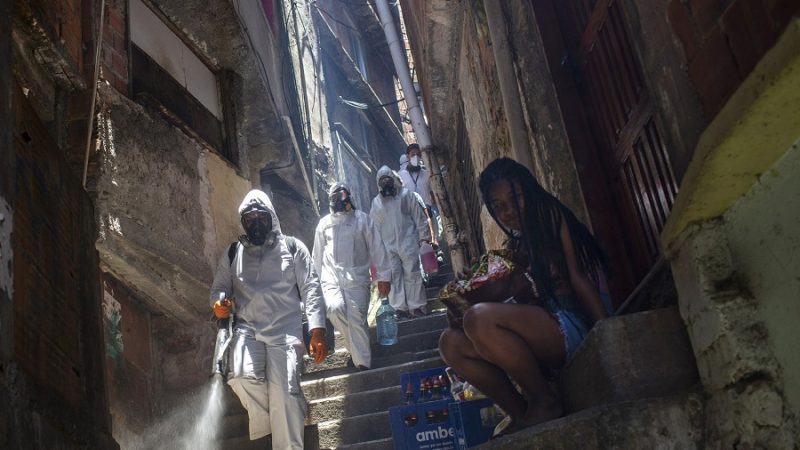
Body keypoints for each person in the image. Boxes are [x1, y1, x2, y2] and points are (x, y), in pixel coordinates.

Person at [438, 158, 613, 436]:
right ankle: (521, 413)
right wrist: (469, 291)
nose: (508, 211)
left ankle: (545, 402)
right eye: (498, 206)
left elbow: (578, 277)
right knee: (451, 343)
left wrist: (608, 333)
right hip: (543, 333)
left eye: (515, 198)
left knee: (479, 319)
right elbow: (508, 302)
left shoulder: (549, 216)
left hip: (571, 324)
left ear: (528, 190)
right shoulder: (516, 245)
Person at [210, 189, 327, 449]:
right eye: (249, 219)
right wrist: (219, 304)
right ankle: (279, 415)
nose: (255, 223)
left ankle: (286, 417)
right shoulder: (232, 253)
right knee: (241, 378)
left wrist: (317, 330)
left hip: (285, 331)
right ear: (243, 222)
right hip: (247, 330)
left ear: (271, 217)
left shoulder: (293, 247)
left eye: (260, 217)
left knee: (284, 393)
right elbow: (219, 288)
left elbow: (311, 287)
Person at [312, 182, 392, 371]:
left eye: (342, 195)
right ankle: (359, 354)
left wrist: (384, 277)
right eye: (335, 197)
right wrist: (314, 286)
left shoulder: (362, 220)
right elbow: (317, 257)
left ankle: (362, 364)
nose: (340, 200)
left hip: (357, 278)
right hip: (330, 279)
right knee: (333, 309)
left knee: (357, 319)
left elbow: (377, 248)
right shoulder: (324, 224)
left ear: (349, 196)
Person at [370, 166, 433, 319]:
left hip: (408, 241)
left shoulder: (406, 195)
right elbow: (374, 229)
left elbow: (419, 218)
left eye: (388, 179)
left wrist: (424, 238)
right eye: (382, 181)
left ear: (393, 179)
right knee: (394, 276)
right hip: (388, 247)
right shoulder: (376, 203)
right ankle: (399, 308)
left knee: (413, 273)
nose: (386, 183)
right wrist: (376, 251)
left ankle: (417, 306)